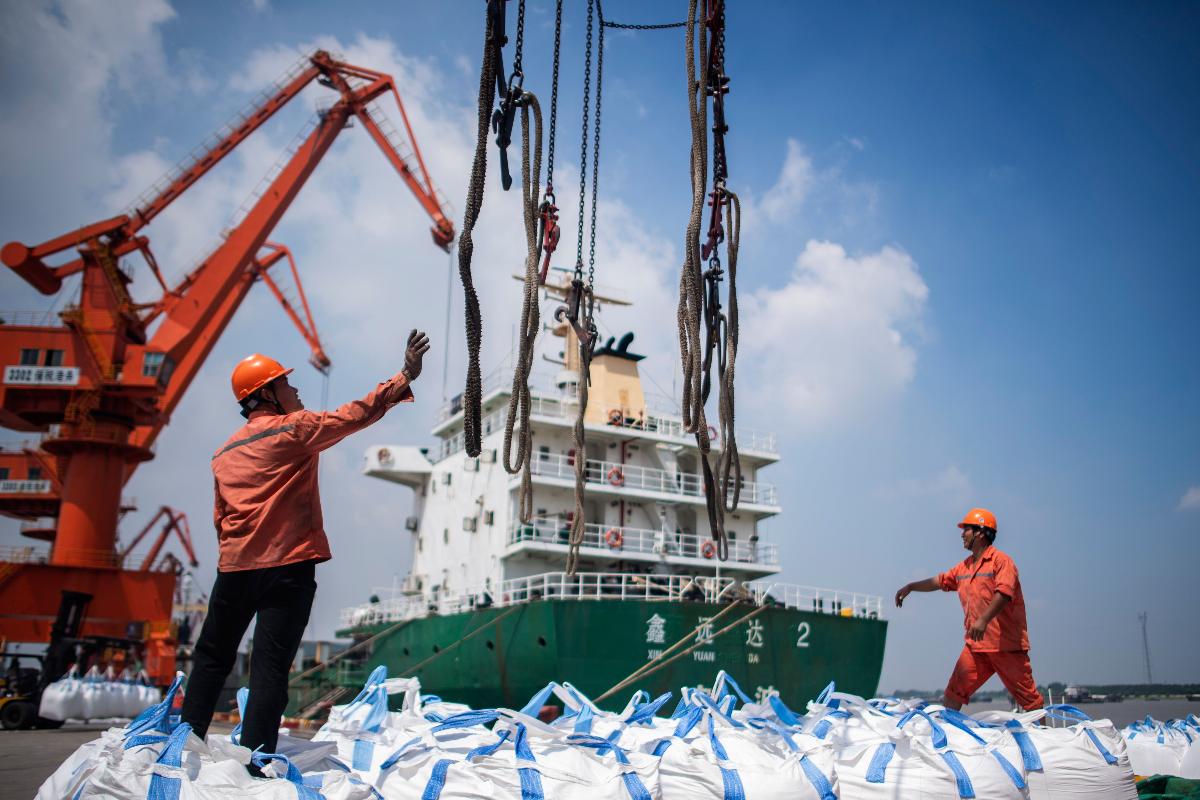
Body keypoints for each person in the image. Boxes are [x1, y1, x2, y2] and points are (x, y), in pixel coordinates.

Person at [180, 330, 430, 760]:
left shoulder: (222, 453)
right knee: (270, 668)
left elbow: (220, 518)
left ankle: (183, 744)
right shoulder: (293, 429)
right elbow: (353, 415)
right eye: (285, 384)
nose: (294, 389)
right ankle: (257, 760)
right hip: (287, 568)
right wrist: (404, 375)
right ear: (266, 395)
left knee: (211, 658)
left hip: (234, 568)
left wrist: (237, 550)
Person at [894, 507, 1043, 711]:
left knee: (1030, 701)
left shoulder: (1001, 562)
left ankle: (1045, 737)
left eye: (967, 530)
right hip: (976, 648)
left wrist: (983, 620)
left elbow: (1004, 593)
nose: (962, 534)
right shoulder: (964, 567)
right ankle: (948, 738)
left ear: (980, 533)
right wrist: (911, 586)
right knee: (953, 694)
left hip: (1006, 646)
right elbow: (939, 581)